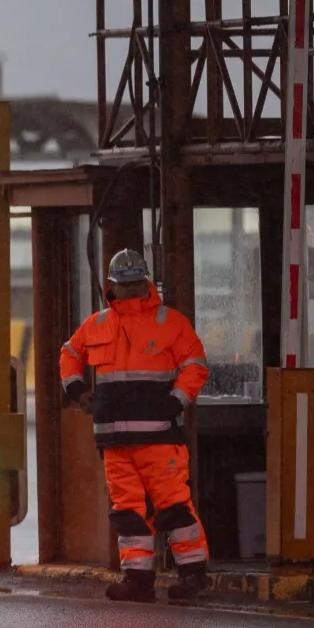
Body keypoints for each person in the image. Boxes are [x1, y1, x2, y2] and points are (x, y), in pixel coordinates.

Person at [58, 249, 211, 603]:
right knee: (127, 512)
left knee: (173, 506)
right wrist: (77, 390)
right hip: (115, 439)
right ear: (112, 286)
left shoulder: (170, 322)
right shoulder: (96, 324)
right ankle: (138, 580)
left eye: (134, 284)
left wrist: (176, 400)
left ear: (146, 283)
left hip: (158, 436)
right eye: (123, 285)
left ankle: (193, 575)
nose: (128, 291)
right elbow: (70, 354)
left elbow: (196, 364)